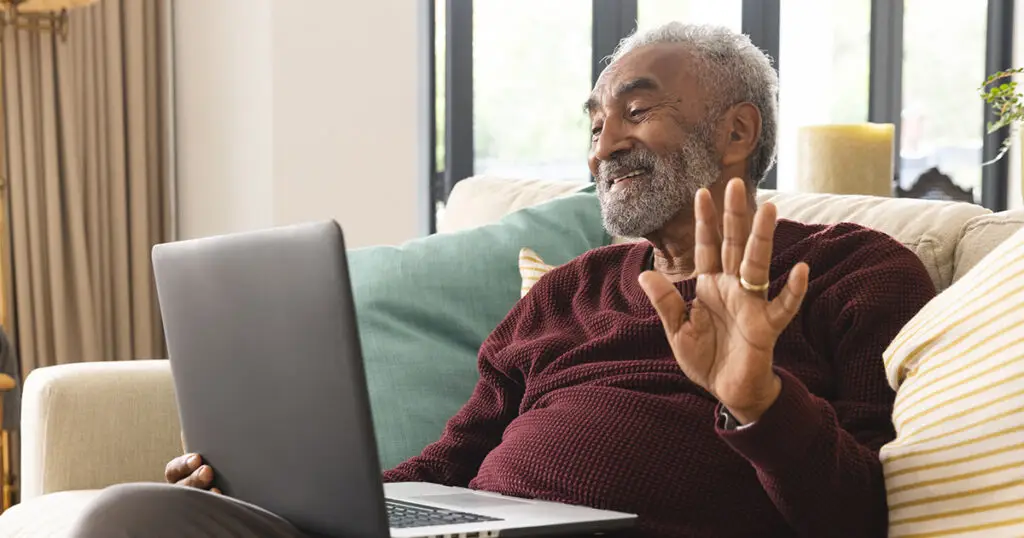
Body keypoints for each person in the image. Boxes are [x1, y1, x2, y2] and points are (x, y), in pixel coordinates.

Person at [69, 23, 935, 538]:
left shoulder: (856, 274)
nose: (600, 149)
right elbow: (449, 463)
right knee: (134, 518)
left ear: (738, 128)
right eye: (594, 124)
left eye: (635, 111)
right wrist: (283, 495)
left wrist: (759, 399)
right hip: (478, 531)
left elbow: (859, 521)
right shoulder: (572, 290)